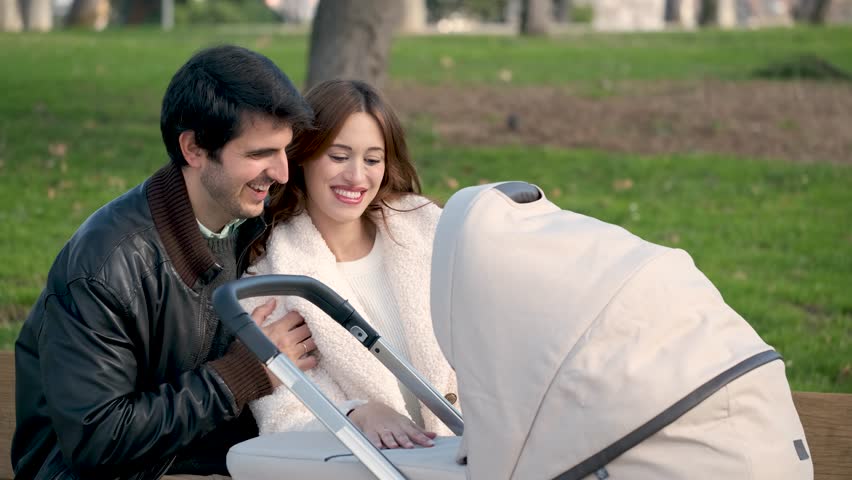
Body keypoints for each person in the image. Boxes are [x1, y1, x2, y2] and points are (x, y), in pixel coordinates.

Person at [12, 44, 317, 479]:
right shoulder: (106, 267)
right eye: (258, 154)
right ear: (193, 148)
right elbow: (97, 438)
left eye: (284, 150)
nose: (282, 173)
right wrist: (240, 376)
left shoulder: (261, 223)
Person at [242, 79, 458, 450]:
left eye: (372, 160)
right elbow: (281, 420)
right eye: (339, 157)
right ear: (303, 155)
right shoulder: (269, 282)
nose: (356, 177)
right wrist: (356, 414)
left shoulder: (432, 232)